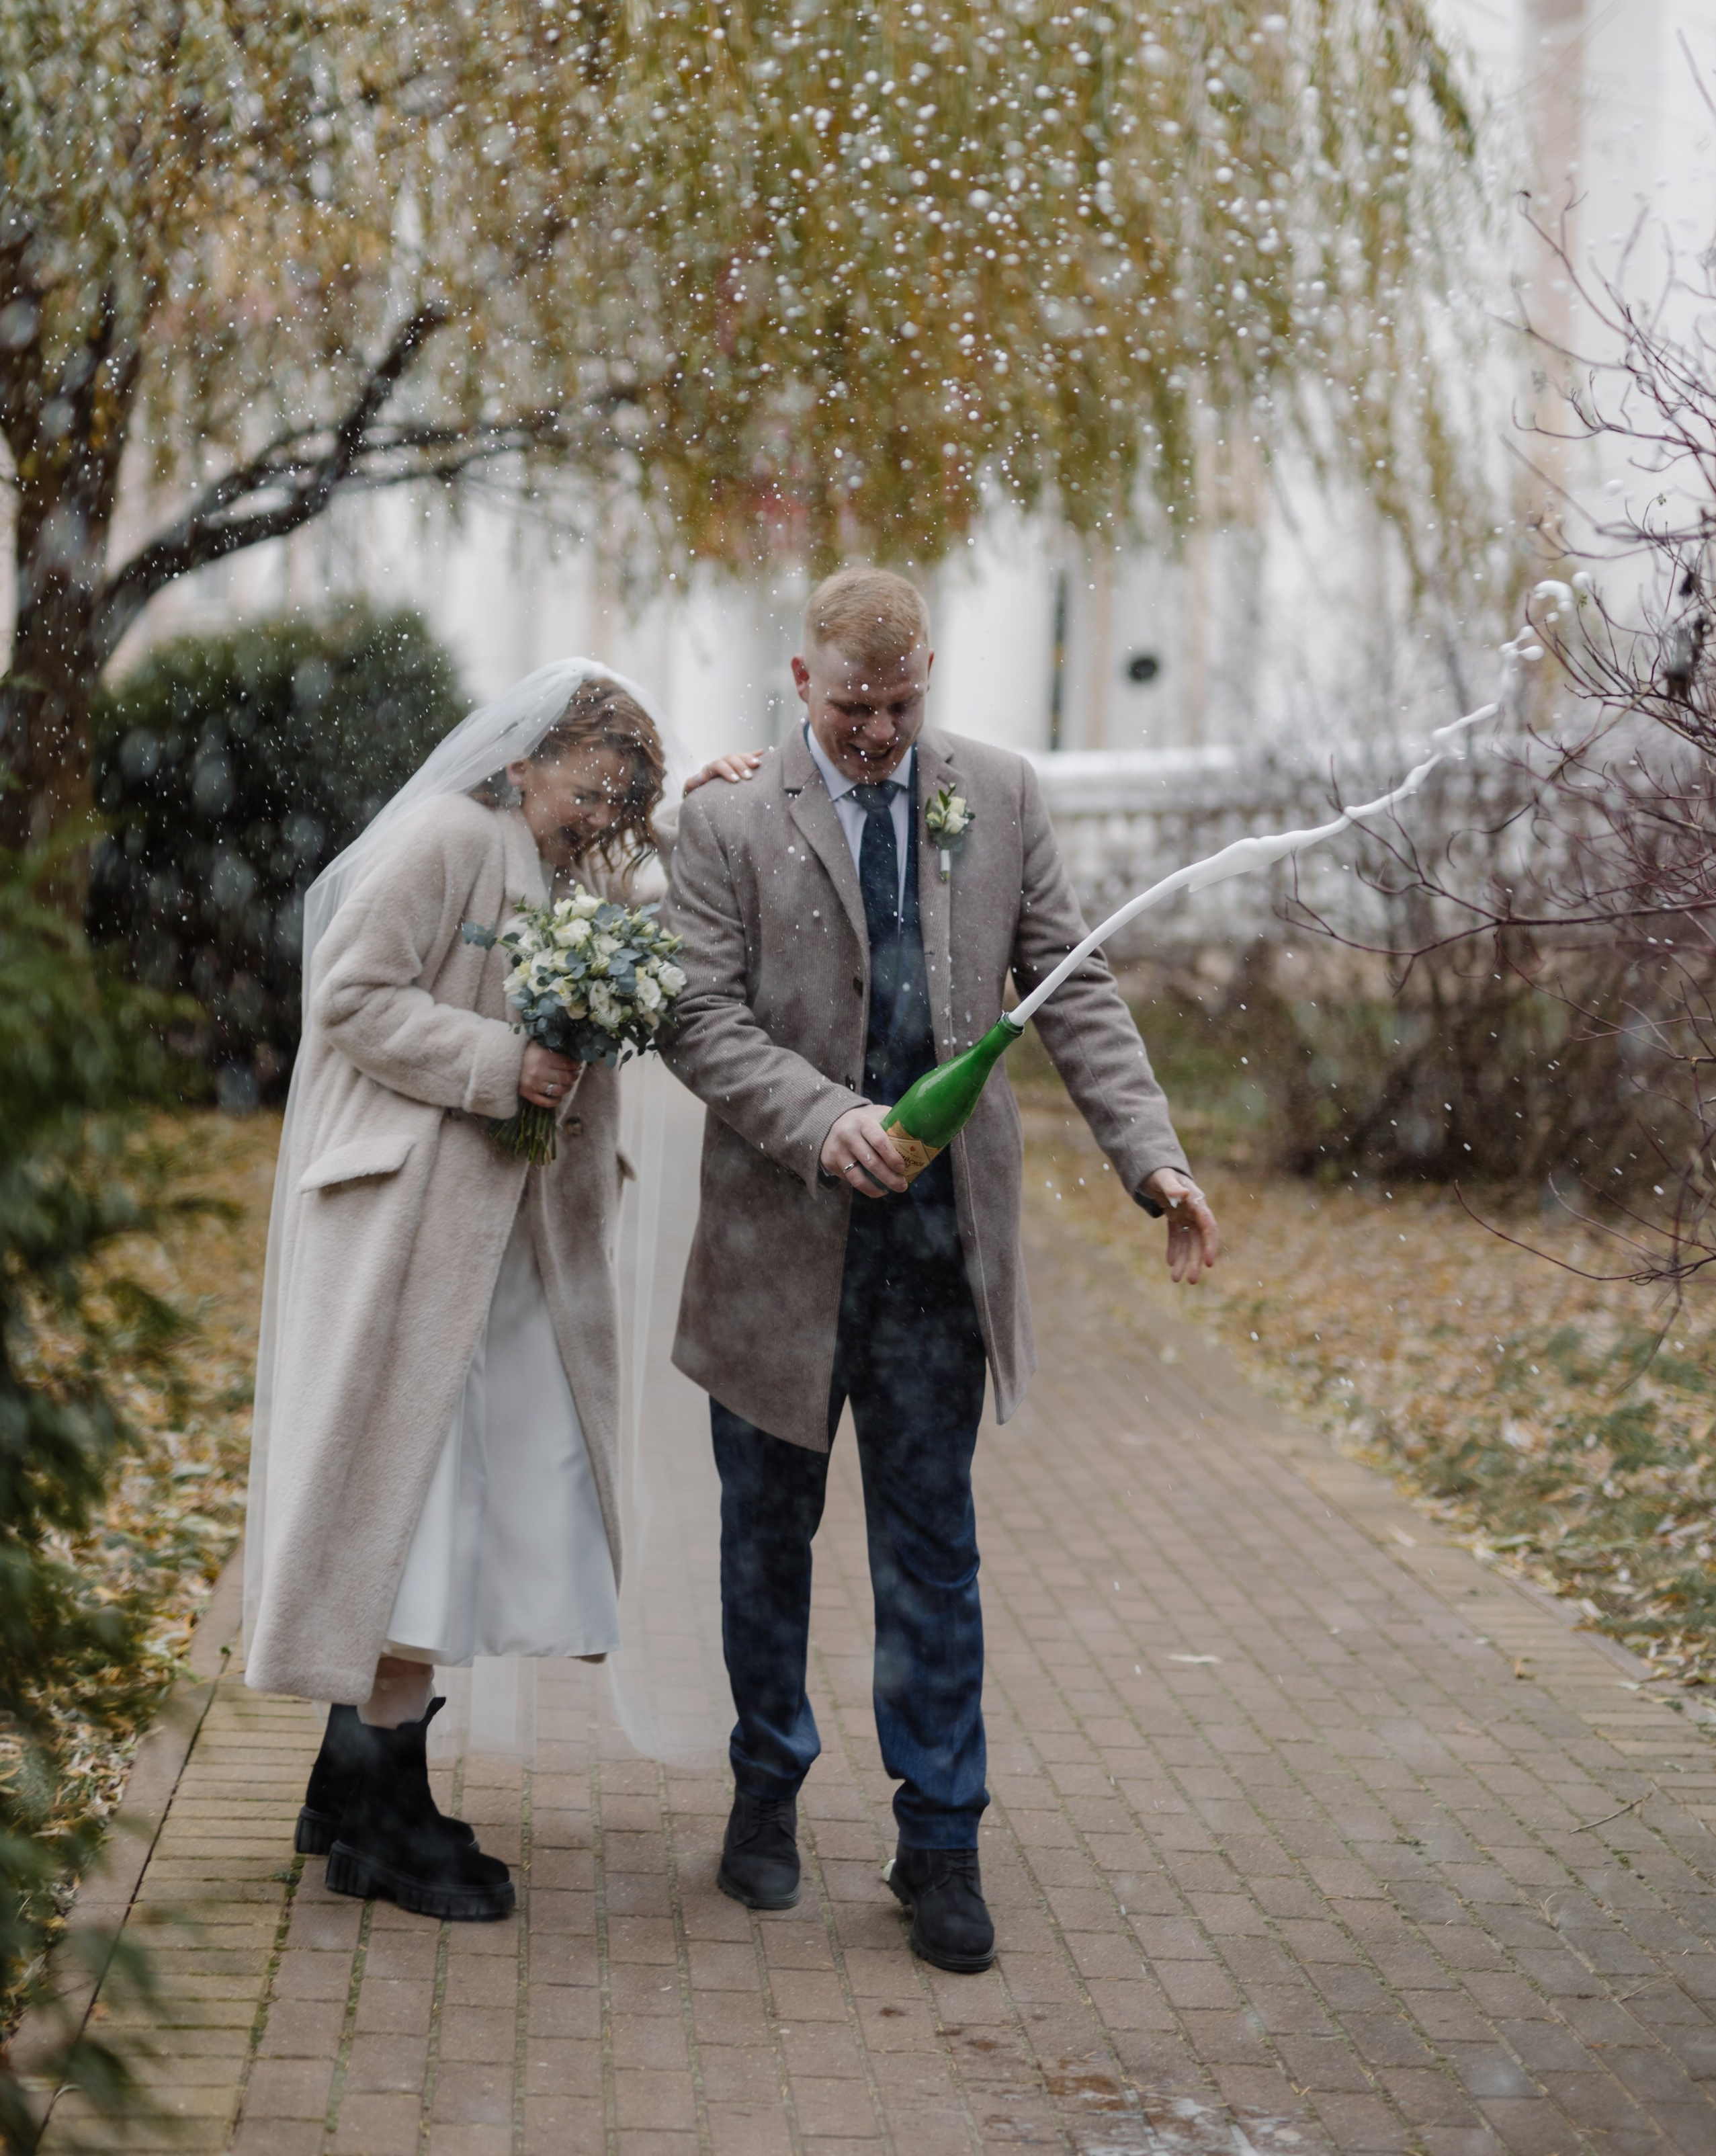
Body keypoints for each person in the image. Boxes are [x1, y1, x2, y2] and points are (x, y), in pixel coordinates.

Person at [663, 569, 1219, 1974]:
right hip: (774, 1253)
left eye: (901, 706)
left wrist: (1152, 1162)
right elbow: (696, 1019)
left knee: (932, 1552)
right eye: (852, 708)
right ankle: (766, 1790)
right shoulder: (727, 822)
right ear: (801, 683)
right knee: (762, 1548)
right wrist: (820, 1119)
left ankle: (940, 1842)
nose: (877, 735)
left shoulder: (1001, 795)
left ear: (929, 681)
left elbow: (1073, 985)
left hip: (934, 1264)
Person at [243, 661, 757, 1921]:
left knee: (446, 1494)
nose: (598, 817)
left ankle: (348, 1783)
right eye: (589, 790)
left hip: (499, 1243)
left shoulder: (547, 857)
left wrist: (713, 799)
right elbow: (351, 996)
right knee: (410, 1498)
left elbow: (630, 904)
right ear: (523, 760)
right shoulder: (444, 837)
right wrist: (500, 1065)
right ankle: (381, 1817)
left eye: (616, 800)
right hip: (412, 1233)